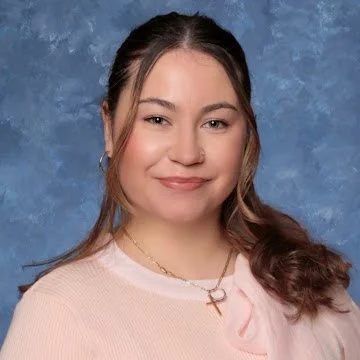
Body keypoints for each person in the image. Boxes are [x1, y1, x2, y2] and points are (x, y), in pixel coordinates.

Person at [1, 11, 359, 360]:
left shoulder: (310, 288)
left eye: (216, 123)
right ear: (108, 128)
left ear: (246, 133)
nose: (187, 154)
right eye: (157, 119)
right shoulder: (61, 311)